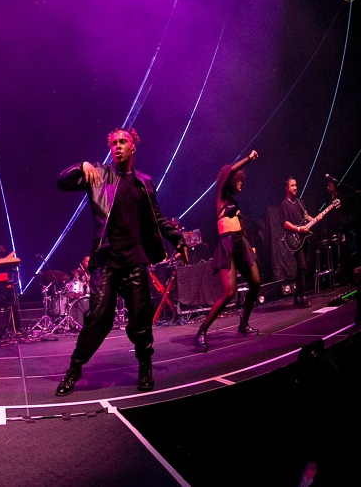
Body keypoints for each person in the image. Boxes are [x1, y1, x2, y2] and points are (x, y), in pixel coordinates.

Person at [54, 127, 187, 396]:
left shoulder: (145, 182)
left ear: (133, 147)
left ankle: (145, 367)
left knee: (140, 317)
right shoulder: (99, 175)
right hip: (106, 260)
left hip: (135, 259)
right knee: (98, 318)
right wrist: (81, 166)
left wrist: (177, 238)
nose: (117, 146)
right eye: (113, 143)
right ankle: (75, 369)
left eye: (123, 141)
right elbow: (62, 182)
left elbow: (157, 218)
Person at [194, 151, 262, 351]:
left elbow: (240, 224)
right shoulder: (220, 196)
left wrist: (249, 244)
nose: (241, 184)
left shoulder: (234, 201)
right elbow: (230, 169)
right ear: (231, 180)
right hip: (227, 245)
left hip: (241, 243)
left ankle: (243, 325)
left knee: (256, 282)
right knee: (229, 292)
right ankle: (202, 331)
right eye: (238, 181)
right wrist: (249, 159)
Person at [280, 177, 313, 308]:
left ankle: (296, 296)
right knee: (302, 265)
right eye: (292, 185)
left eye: (296, 185)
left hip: (303, 238)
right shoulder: (284, 204)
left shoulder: (300, 202)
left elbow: (306, 217)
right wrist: (298, 228)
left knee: (302, 268)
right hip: (294, 239)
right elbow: (285, 223)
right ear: (287, 188)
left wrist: (316, 218)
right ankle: (303, 296)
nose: (295, 187)